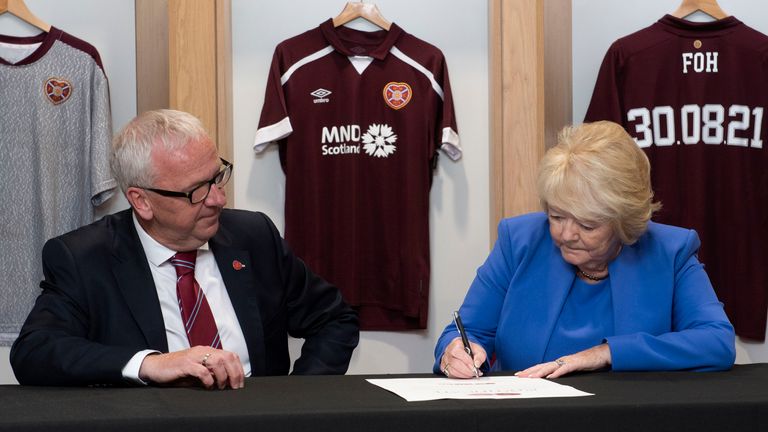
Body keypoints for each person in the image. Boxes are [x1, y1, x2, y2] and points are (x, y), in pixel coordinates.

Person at [11, 109, 359, 389]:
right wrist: (151, 364)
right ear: (142, 201)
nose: (219, 200)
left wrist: (298, 401)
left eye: (217, 177)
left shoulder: (254, 236)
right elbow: (35, 352)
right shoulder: (84, 258)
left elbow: (334, 319)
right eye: (196, 191)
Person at [434, 121, 735, 379]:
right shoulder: (520, 240)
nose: (565, 234)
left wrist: (606, 353)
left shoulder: (671, 252)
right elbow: (466, 331)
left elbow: (717, 342)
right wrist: (457, 353)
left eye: (587, 225)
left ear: (623, 221)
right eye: (556, 215)